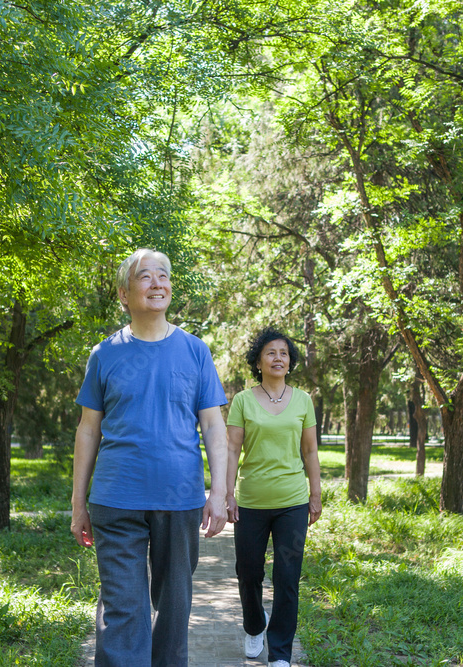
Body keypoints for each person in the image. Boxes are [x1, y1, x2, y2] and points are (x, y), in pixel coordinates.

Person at [71, 248, 229, 667]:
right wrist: (77, 505)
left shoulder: (195, 351)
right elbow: (88, 430)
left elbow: (214, 426)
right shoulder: (104, 353)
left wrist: (219, 492)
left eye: (164, 275)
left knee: (174, 607)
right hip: (115, 497)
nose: (158, 282)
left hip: (180, 498)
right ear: (124, 293)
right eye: (146, 276)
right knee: (124, 607)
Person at [225, 327, 322, 667]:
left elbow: (310, 452)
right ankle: (254, 626)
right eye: (271, 352)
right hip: (251, 502)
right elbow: (232, 449)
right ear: (258, 361)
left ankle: (280, 653)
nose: (278, 358)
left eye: (284, 353)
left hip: (293, 502)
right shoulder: (242, 400)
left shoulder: (303, 400)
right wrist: (227, 494)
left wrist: (315, 493)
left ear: (290, 362)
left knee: (288, 578)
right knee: (248, 572)